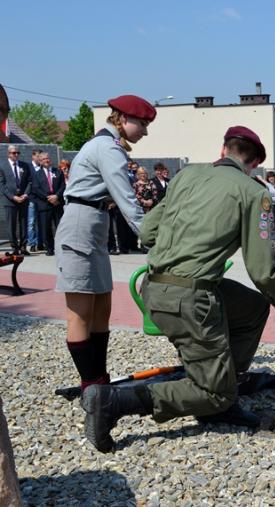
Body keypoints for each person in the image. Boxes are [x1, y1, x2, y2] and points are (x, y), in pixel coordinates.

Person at [81, 125, 275, 453]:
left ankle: (223, 387)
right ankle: (115, 401)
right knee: (216, 392)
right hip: (190, 300)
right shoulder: (254, 193)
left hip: (154, 287)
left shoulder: (185, 176)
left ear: (223, 149)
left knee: (253, 308)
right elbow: (261, 270)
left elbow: (147, 232)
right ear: (254, 164)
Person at [56, 95, 155, 399]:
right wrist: (154, 239)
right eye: (142, 124)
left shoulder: (109, 146)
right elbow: (127, 201)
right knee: (81, 312)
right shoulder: (107, 148)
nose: (145, 131)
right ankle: (92, 387)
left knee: (101, 308)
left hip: (93, 225)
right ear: (122, 119)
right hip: (80, 225)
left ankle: (99, 379)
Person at [30, 152, 65, 256]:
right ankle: (50, 248)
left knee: (60, 227)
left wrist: (56, 196)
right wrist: (48, 198)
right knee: (46, 228)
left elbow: (63, 186)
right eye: (44, 159)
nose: (47, 160)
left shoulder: (58, 172)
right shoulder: (36, 174)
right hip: (44, 205)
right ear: (40, 161)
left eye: (48, 158)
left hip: (57, 204)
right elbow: (36, 189)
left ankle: (61, 247)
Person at [1, 145, 31, 255]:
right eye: (14, 153)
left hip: (23, 199)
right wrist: (13, 197)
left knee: (23, 224)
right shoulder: (2, 166)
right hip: (10, 201)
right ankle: (14, 247)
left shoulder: (25, 165)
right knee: (11, 225)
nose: (16, 155)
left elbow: (30, 182)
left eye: (18, 153)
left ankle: (23, 247)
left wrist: (25, 194)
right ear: (8, 154)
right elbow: (2, 185)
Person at [27, 149, 42, 253]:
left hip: (42, 199)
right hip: (31, 199)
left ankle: (40, 243)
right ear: (33, 156)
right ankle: (32, 243)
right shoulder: (27, 167)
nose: (39, 158)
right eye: (38, 156)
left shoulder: (43, 168)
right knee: (31, 222)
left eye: (40, 156)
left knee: (41, 222)